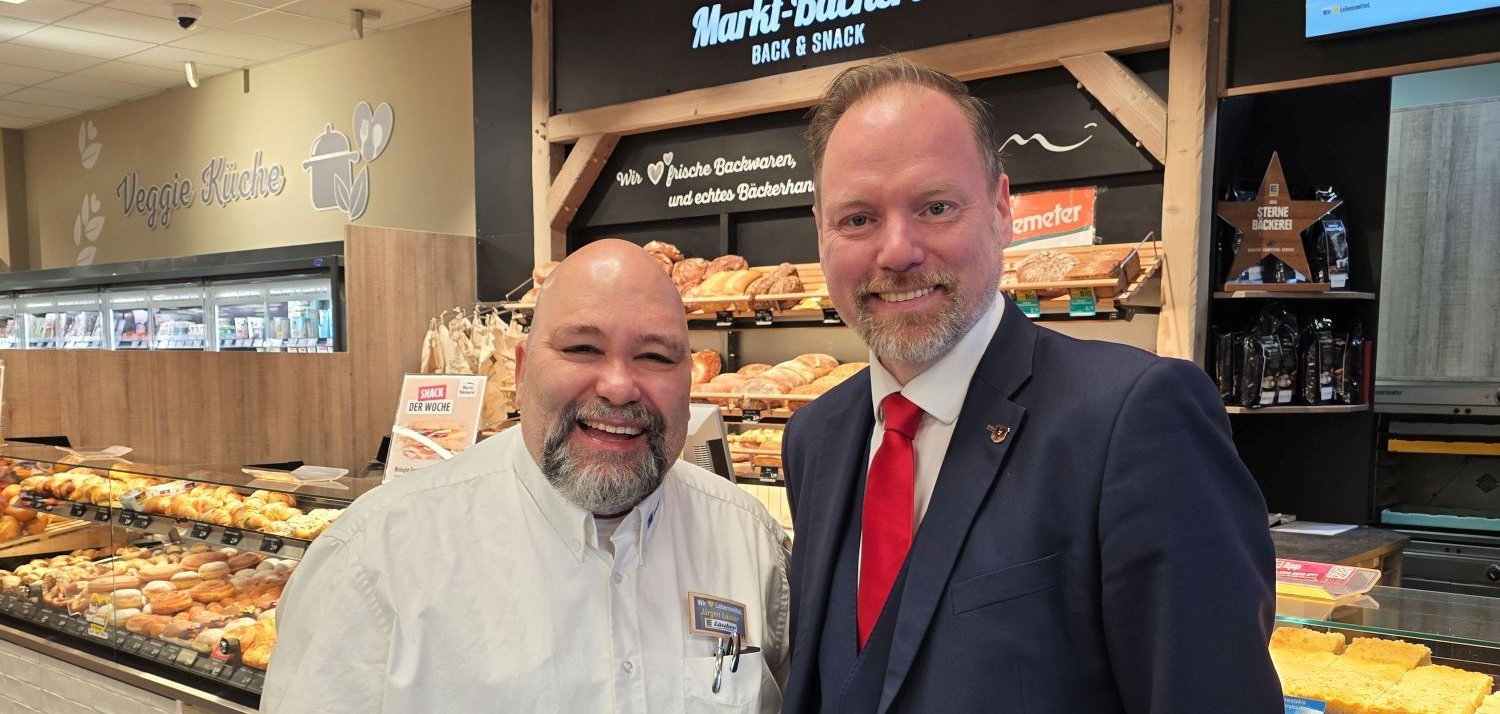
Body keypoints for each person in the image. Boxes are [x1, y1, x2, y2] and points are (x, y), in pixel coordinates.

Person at [781, 57, 1282, 713]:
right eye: (857, 219)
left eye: (935, 206)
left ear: (1000, 209)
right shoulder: (815, 438)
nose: (897, 251)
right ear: (821, 232)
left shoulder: (1133, 419)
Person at [264, 239, 791, 713]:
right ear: (519, 371)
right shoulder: (376, 560)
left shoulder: (751, 543)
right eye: (582, 348)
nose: (617, 386)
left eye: (654, 356)